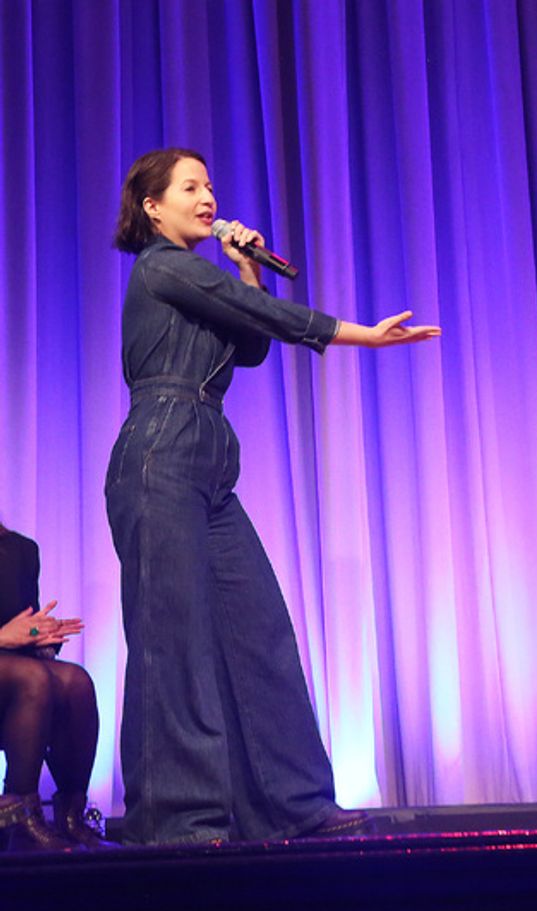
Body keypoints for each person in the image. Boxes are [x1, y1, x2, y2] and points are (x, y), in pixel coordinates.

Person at [107, 148, 440, 845]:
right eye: (190, 187)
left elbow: (250, 338)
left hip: (207, 460)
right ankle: (180, 818)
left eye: (210, 185)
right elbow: (260, 317)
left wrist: (248, 267)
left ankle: (295, 803)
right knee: (173, 640)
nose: (207, 197)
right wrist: (361, 336)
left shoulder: (199, 276)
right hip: (159, 454)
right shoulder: (163, 267)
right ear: (152, 207)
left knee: (259, 631)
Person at [0, 523, 103, 849]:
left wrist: (40, 636)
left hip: (11, 673)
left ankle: (71, 818)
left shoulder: (22, 550)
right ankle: (19, 820)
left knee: (76, 682)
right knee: (33, 678)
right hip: (17, 675)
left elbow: (24, 627)